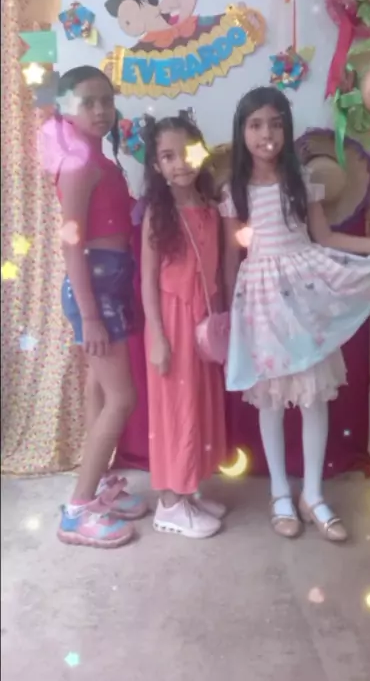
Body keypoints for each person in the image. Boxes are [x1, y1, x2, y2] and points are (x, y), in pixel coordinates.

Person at [220, 87, 370, 542]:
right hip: (262, 302)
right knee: (271, 399)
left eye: (275, 123)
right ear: (242, 130)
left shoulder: (300, 180)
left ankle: (312, 493)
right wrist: (231, 315)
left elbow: (326, 237)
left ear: (286, 128)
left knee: (313, 397)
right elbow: (231, 258)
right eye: (255, 125)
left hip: (305, 296)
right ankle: (279, 493)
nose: (266, 134)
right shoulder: (234, 190)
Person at [44, 65, 148, 549]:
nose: (101, 109)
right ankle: (78, 510)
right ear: (67, 108)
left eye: (106, 100)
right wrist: (89, 315)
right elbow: (71, 242)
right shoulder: (79, 165)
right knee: (122, 397)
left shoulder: (99, 159)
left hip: (112, 284)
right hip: (96, 291)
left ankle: (100, 483)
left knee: (99, 388)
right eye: (88, 101)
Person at [141, 112, 227, 539]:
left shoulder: (212, 209)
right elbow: (147, 281)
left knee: (198, 404)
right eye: (167, 156)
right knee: (176, 411)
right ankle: (170, 504)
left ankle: (188, 489)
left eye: (186, 152)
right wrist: (157, 336)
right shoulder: (158, 215)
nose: (180, 164)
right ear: (157, 166)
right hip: (171, 323)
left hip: (202, 323)